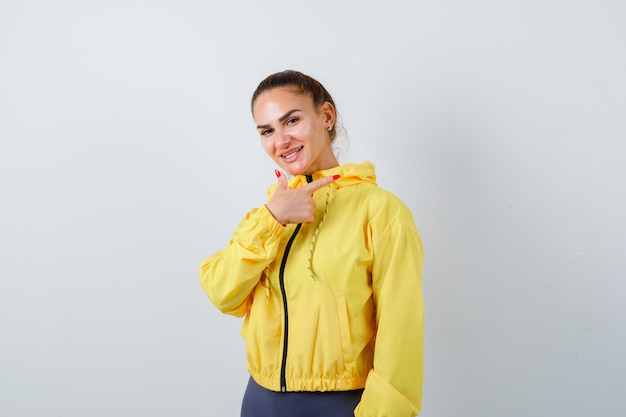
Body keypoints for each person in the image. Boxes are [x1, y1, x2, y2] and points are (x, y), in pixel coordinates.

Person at [200, 70, 424, 417]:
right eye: (267, 131)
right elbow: (221, 293)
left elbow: (401, 332)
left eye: (291, 120)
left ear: (326, 116)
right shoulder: (269, 215)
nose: (281, 140)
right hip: (260, 400)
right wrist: (272, 221)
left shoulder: (381, 212)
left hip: (341, 404)